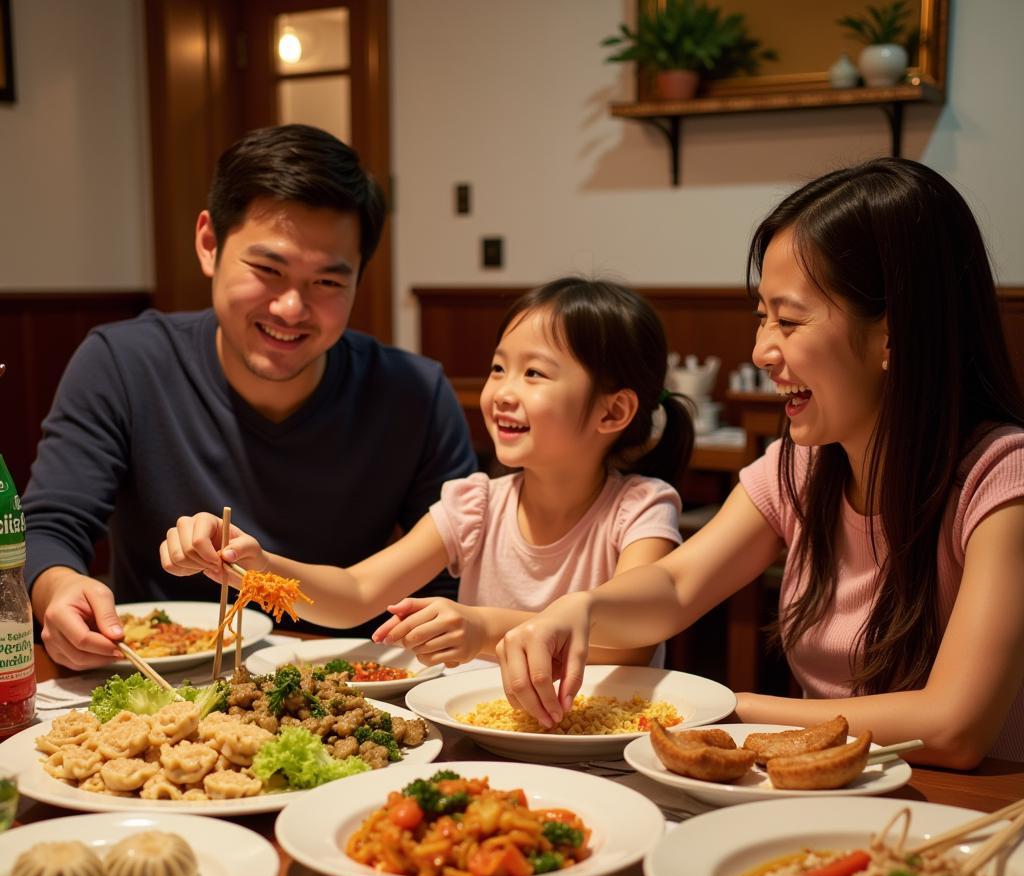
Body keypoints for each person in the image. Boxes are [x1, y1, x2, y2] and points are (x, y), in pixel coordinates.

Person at [496, 158, 1024, 768]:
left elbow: (954, 727)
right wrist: (581, 608)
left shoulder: (999, 478)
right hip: (817, 793)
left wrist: (734, 709)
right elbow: (674, 584)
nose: (761, 351)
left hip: (968, 816)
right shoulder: (800, 466)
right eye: (762, 318)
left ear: (892, 334)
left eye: (790, 320)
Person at [24, 124, 476, 670]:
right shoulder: (123, 364)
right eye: (268, 269)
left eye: (328, 282)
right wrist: (57, 589)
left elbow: (450, 578)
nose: (291, 308)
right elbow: (50, 527)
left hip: (354, 688)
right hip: (167, 682)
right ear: (209, 244)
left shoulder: (414, 394)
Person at [160, 277, 694, 667]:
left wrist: (482, 629)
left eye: (534, 373)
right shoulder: (477, 503)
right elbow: (357, 591)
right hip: (485, 731)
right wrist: (261, 567)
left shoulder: (640, 508)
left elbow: (630, 644)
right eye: (498, 368)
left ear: (613, 412)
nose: (502, 392)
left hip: (605, 748)